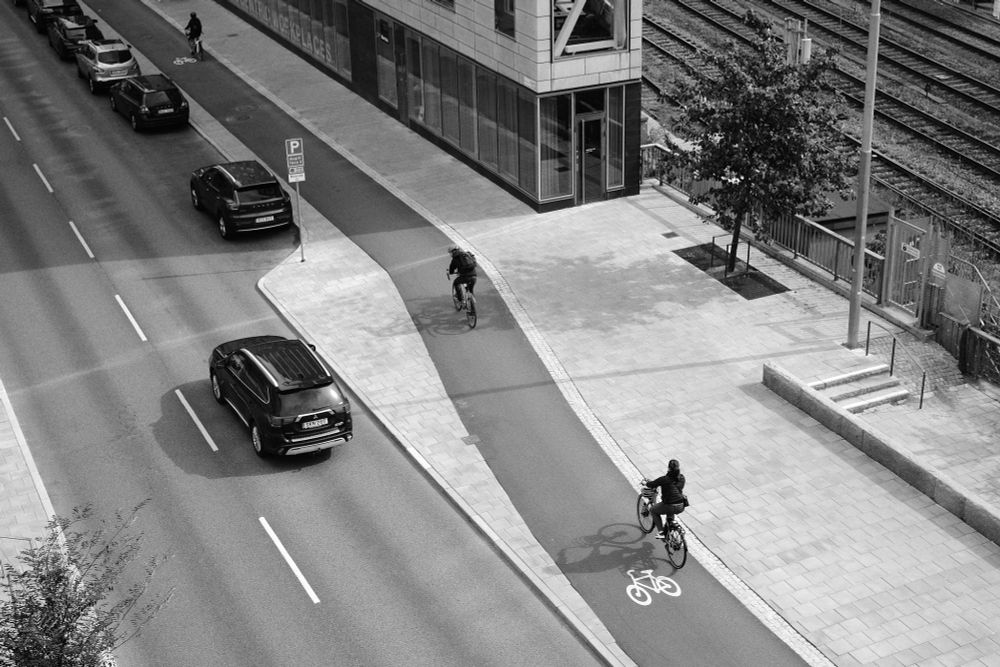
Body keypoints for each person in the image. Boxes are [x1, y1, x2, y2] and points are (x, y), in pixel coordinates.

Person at [644, 459, 686, 540]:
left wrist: (646, 483)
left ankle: (662, 533)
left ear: (669, 468)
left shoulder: (664, 479)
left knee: (653, 510)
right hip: (681, 505)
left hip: (669, 505)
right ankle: (670, 530)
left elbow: (652, 484)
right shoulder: (682, 478)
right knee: (670, 514)